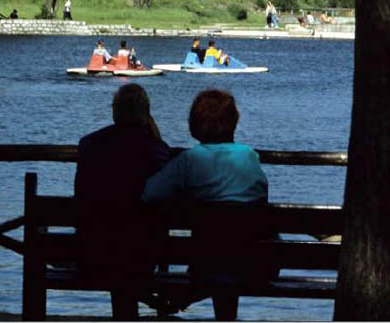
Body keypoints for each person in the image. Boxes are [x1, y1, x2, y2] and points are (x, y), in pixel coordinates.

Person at [143, 89, 273, 320]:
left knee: (218, 256)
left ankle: (179, 300)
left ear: (195, 125)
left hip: (207, 267)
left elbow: (150, 193)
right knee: (230, 249)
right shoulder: (250, 156)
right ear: (233, 122)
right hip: (256, 266)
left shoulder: (190, 160)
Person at [75, 84, 172, 320]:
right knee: (133, 241)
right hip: (143, 254)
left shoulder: (89, 144)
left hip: (94, 252)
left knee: (117, 244)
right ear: (146, 115)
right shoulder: (156, 150)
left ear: (115, 111)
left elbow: (81, 195)